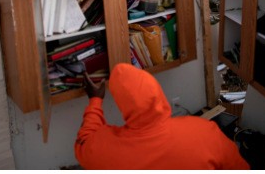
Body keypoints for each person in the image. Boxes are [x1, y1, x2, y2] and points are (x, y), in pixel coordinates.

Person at [75, 64, 249, 169]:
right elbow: (239, 168)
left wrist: (95, 100)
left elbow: (85, 139)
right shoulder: (205, 132)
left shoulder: (103, 152)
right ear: (157, 91)